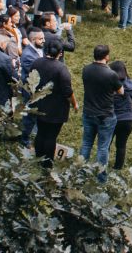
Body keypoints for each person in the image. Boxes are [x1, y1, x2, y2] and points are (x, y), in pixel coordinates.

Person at [28, 37, 76, 168]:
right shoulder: (61, 69)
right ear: (60, 53)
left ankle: (38, 158)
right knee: (51, 136)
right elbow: (68, 91)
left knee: (41, 133)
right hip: (56, 108)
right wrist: (75, 104)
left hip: (39, 104)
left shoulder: (36, 62)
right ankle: (47, 164)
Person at [80, 44, 124, 183]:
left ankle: (79, 173)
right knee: (102, 148)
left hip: (88, 112)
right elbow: (121, 91)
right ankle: (101, 177)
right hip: (105, 115)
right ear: (107, 56)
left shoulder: (86, 69)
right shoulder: (111, 74)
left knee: (86, 143)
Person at [110, 60, 132, 170]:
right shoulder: (131, 83)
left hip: (112, 119)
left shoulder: (110, 85)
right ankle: (117, 168)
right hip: (128, 120)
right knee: (121, 146)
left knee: (106, 145)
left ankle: (101, 166)